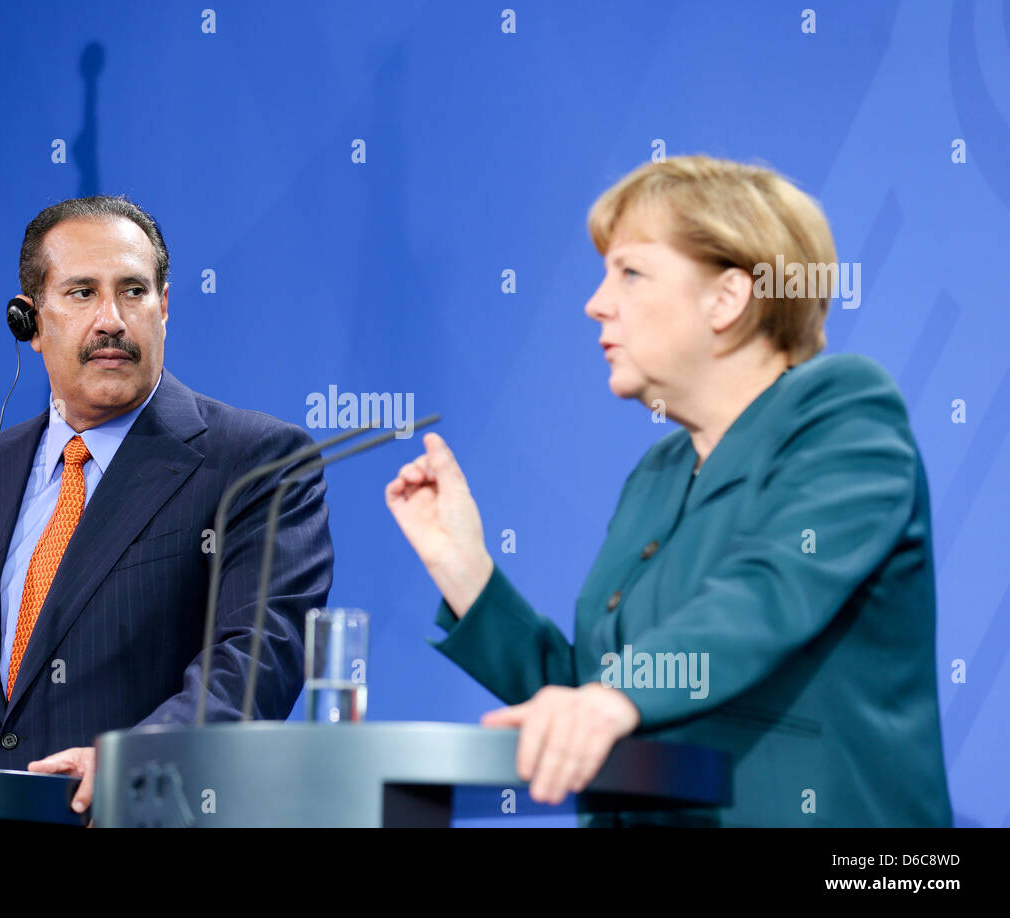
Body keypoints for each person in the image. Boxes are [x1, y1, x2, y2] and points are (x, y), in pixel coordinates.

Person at [385, 155, 952, 827]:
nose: (596, 302)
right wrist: (466, 570)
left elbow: (767, 592)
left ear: (728, 298)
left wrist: (610, 701)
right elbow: (590, 706)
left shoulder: (843, 411)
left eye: (630, 272)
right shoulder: (656, 474)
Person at [0, 196, 333, 817]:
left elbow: (258, 659)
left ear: (165, 309)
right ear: (30, 321)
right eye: (81, 293)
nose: (112, 320)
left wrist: (137, 756)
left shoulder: (254, 461)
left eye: (133, 291)